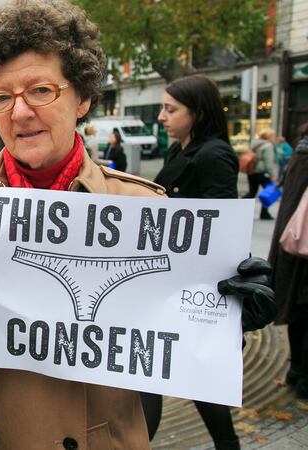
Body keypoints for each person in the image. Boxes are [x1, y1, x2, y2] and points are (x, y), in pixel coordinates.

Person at [0, 1, 275, 448]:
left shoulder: (142, 206)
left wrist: (231, 318)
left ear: (83, 97)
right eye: (2, 97)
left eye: (40, 91)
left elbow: (179, 342)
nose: (20, 113)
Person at [149, 74, 251, 449]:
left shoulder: (214, 154)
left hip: (198, 288)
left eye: (171, 109)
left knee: (186, 376)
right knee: (181, 376)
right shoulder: (179, 150)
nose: (162, 116)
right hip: (172, 278)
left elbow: (220, 229)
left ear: (198, 112)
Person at [269, 123, 308, 398]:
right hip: (302, 255)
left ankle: (296, 371)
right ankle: (304, 377)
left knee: (298, 315)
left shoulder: (299, 156)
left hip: (292, 250)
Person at [245, 129, 278, 220]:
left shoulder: (255, 144)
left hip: (252, 172)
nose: (273, 138)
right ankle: (264, 213)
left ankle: (242, 209)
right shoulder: (268, 146)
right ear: (268, 137)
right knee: (268, 193)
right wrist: (273, 175)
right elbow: (269, 162)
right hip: (263, 173)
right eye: (272, 136)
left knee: (252, 192)